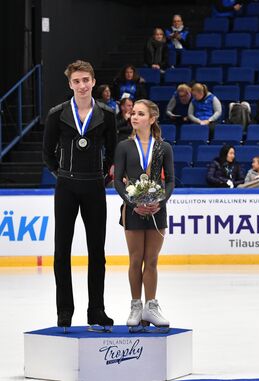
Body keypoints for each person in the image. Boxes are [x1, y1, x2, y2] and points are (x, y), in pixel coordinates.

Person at [42, 60, 117, 331]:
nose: (82, 85)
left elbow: (112, 151)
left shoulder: (107, 114)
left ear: (94, 82)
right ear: (70, 84)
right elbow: (47, 152)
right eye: (77, 81)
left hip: (95, 188)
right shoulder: (57, 114)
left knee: (97, 251)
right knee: (62, 251)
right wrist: (61, 173)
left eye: (86, 80)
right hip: (66, 189)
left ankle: (96, 310)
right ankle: (64, 310)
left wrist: (103, 176)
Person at [114, 99, 175, 332]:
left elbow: (170, 180)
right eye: (133, 113)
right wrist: (132, 202)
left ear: (152, 118)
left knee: (151, 261)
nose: (134, 117)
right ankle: (136, 306)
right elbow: (118, 181)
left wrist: (161, 201)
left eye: (140, 114)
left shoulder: (164, 147)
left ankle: (151, 305)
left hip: (157, 210)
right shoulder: (124, 147)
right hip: (133, 210)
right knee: (135, 259)